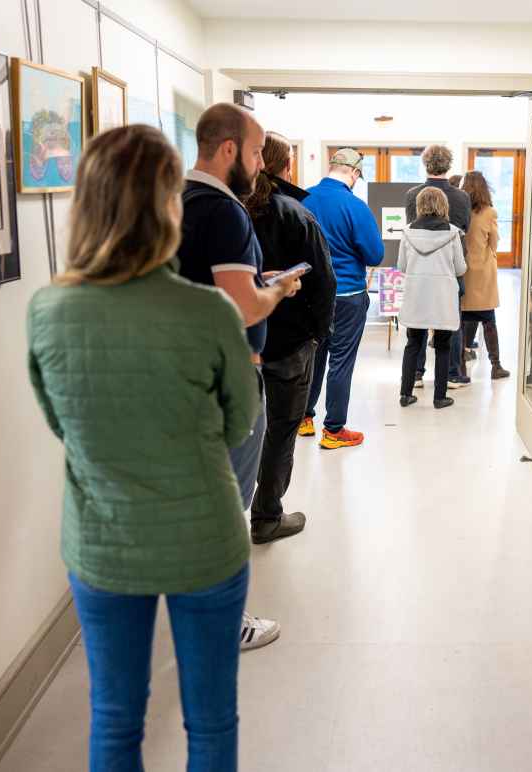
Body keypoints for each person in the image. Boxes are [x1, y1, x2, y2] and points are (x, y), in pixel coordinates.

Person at [27, 125, 259, 771]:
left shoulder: (48, 309)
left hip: (103, 545)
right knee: (211, 722)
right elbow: (242, 420)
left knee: (115, 717)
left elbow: (60, 422)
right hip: (204, 542)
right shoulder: (209, 312)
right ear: (166, 204)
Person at [176, 103, 302, 651]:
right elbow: (242, 309)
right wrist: (278, 289)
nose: (258, 164)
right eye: (255, 153)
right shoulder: (225, 212)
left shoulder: (176, 201)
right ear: (229, 150)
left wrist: (256, 279)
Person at [245, 132, 337, 543]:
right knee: (281, 428)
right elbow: (324, 282)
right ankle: (266, 516)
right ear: (285, 167)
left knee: (235, 429)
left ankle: (227, 517)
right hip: (289, 342)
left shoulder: (230, 210)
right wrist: (317, 335)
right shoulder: (296, 213)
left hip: (240, 337)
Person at [300, 148, 385, 449]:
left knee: (314, 356)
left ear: (331, 166)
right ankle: (334, 430)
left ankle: (304, 417)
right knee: (340, 361)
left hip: (309, 295)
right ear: (355, 173)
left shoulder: (303, 199)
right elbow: (375, 254)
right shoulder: (355, 206)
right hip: (347, 295)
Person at [404, 145, 473, 389]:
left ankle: (416, 374)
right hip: (450, 268)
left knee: (417, 322)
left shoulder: (413, 194)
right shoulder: (462, 197)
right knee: (451, 320)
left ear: (425, 164)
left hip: (420, 269)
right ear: (449, 164)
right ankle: (453, 373)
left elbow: (411, 228)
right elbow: (465, 229)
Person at [398, 187, 467, 410]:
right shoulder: (453, 233)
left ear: (419, 206)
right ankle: (439, 397)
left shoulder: (408, 232)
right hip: (442, 296)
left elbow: (402, 266)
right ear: (443, 205)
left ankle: (405, 394)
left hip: (416, 294)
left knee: (413, 343)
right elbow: (460, 268)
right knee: (443, 346)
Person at [460, 171, 511, 380]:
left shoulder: (460, 211)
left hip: (463, 270)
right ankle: (495, 365)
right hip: (484, 272)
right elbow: (494, 242)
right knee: (489, 319)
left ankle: (461, 367)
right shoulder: (490, 212)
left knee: (464, 319)